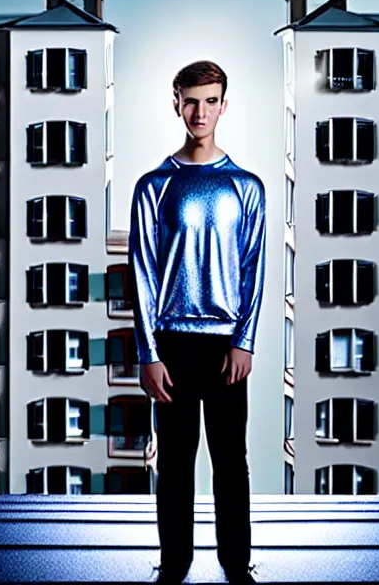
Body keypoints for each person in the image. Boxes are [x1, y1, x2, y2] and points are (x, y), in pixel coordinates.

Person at [128, 60, 266, 585]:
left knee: (232, 460)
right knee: (177, 463)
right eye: (190, 100)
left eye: (210, 101)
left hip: (227, 345)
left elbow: (254, 270)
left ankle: (236, 563)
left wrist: (245, 341)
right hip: (173, 346)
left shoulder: (246, 186)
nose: (200, 111)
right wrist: (148, 353)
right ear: (176, 104)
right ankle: (176, 564)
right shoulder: (154, 186)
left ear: (224, 106)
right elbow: (140, 272)